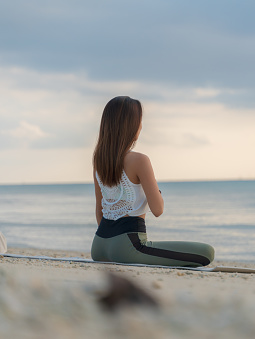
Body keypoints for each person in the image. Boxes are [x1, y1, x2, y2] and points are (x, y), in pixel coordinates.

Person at [91, 96, 215, 267]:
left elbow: (100, 211)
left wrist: (111, 243)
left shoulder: (98, 160)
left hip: (99, 246)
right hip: (128, 247)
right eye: (140, 121)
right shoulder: (140, 160)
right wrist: (156, 193)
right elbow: (158, 209)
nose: (141, 126)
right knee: (207, 253)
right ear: (132, 125)